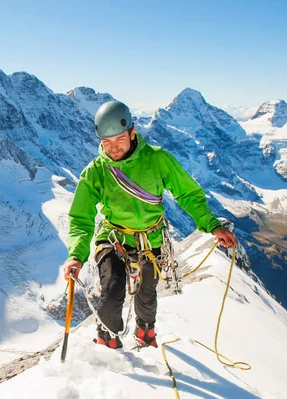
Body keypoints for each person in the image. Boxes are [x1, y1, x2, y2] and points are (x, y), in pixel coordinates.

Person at [63, 100, 237, 349]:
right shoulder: (96, 172)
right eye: (106, 142)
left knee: (147, 292)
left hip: (151, 238)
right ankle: (107, 338)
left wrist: (212, 225)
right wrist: (75, 255)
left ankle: (146, 333)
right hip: (114, 238)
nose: (113, 148)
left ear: (132, 133)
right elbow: (80, 218)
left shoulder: (157, 159)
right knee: (111, 290)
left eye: (119, 139)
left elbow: (188, 194)